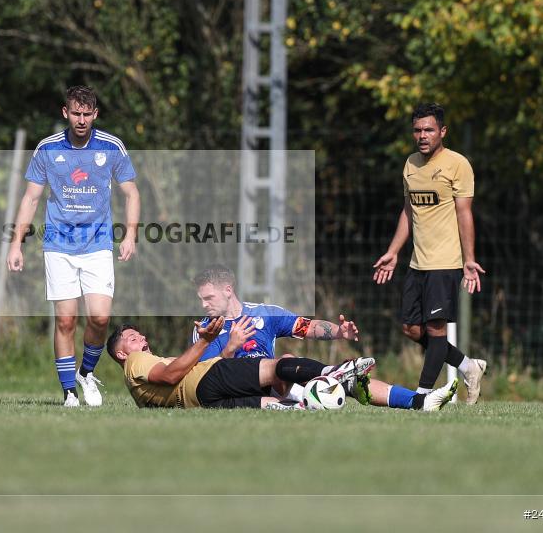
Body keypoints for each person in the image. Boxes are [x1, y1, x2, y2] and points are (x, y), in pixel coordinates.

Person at [7, 86, 140, 407]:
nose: (81, 120)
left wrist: (131, 234)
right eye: (75, 113)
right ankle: (69, 391)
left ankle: (86, 373)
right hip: (59, 246)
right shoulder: (48, 148)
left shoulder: (111, 146)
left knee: (99, 318)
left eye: (87, 114)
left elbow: (131, 193)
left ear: (95, 114)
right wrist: (16, 244)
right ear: (65, 113)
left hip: (97, 246)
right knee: (66, 320)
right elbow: (31, 198)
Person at [191, 264, 457, 411]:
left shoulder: (264, 314)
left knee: (350, 382)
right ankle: (325, 383)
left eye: (208, 298)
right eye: (201, 299)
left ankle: (418, 401)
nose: (204, 305)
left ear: (228, 290)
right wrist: (231, 348)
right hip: (242, 390)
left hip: (278, 383)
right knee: (286, 361)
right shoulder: (205, 329)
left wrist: (338, 332)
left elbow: (306, 326)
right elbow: (206, 380)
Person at [373, 102, 487, 407]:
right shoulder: (410, 164)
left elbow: (465, 213)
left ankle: (422, 396)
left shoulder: (457, 164)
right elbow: (409, 211)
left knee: (436, 331)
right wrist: (393, 252)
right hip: (417, 262)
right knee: (411, 329)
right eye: (418, 130)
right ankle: (468, 366)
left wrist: (469, 259)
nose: (423, 135)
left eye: (429, 129)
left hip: (446, 262)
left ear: (442, 131)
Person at [108, 317, 382, 410]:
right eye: (132, 338)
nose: (141, 337)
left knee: (279, 407)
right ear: (122, 354)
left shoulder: (138, 393)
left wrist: (227, 349)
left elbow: (175, 381)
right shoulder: (137, 360)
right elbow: (170, 375)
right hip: (210, 380)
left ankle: (312, 403)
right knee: (276, 367)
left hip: (203, 402)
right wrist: (205, 341)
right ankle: (335, 373)